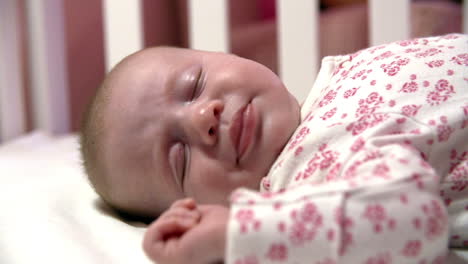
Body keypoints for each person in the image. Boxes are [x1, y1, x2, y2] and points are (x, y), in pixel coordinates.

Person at [80, 34, 468, 264]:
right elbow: (413, 218)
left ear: (225, 56)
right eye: (180, 158)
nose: (203, 118)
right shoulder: (311, 183)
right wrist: (238, 232)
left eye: (194, 83)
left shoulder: (340, 79)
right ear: (197, 209)